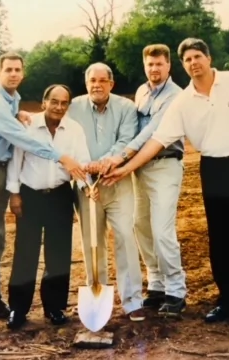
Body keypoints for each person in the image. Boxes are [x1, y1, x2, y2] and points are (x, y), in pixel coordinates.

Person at [103, 38, 229, 330]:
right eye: (188, 60)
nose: (194, 63)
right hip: (214, 168)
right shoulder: (183, 101)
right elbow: (158, 140)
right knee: (221, 242)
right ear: (183, 66)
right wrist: (126, 168)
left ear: (208, 58)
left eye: (197, 56)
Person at [0, 52, 86, 336]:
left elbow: (15, 126)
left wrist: (18, 112)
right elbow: (22, 139)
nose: (13, 74)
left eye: (17, 70)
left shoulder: (12, 99)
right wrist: (61, 158)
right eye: (8, 69)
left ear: (23, 74)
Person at [100, 44, 186, 317]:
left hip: (164, 166)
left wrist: (123, 156)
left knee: (162, 230)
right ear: (144, 66)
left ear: (169, 66)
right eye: (150, 65)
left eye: (159, 64)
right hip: (140, 168)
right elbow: (132, 127)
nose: (154, 69)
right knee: (141, 225)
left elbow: (153, 130)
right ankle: (157, 284)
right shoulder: (141, 92)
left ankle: (176, 290)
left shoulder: (177, 96)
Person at [5, 84, 94, 329]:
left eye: (64, 103)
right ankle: (18, 309)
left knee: (58, 254)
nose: (59, 107)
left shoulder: (74, 129)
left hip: (60, 196)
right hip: (30, 196)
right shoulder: (28, 125)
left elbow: (82, 162)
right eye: (54, 101)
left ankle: (54, 307)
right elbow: (15, 161)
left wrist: (88, 185)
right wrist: (14, 195)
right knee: (25, 254)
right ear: (44, 102)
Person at [67, 62, 146, 322]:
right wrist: (85, 174)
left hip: (116, 181)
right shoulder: (74, 107)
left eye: (103, 81)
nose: (97, 85)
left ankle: (133, 301)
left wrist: (105, 162)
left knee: (124, 236)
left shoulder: (126, 108)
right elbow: (67, 139)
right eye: (92, 81)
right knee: (92, 242)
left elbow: (126, 140)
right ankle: (96, 296)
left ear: (112, 84)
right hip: (85, 184)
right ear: (86, 83)